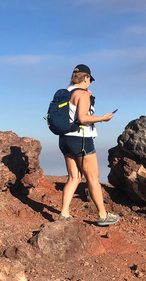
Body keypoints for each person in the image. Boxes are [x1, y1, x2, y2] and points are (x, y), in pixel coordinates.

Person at [58, 64, 120, 226]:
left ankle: (64, 213)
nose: (90, 83)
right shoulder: (82, 94)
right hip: (81, 139)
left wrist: (87, 97)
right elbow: (83, 118)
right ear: (86, 78)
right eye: (89, 80)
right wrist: (103, 118)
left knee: (74, 177)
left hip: (65, 139)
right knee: (93, 177)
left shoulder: (66, 93)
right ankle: (102, 215)